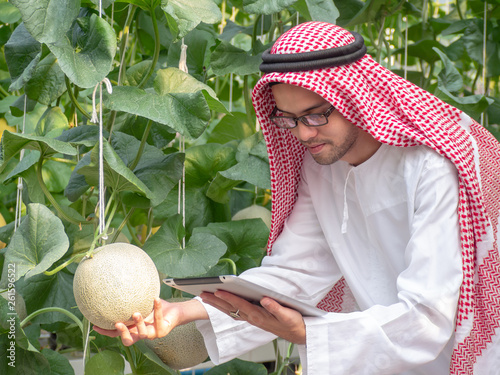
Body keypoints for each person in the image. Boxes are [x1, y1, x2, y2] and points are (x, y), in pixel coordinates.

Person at [94, 22, 500, 374]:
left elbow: (428, 319)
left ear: (354, 100)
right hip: (377, 359)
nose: (304, 134)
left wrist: (308, 333)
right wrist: (179, 311)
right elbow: (294, 273)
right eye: (289, 119)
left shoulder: (431, 168)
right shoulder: (320, 167)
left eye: (316, 114)